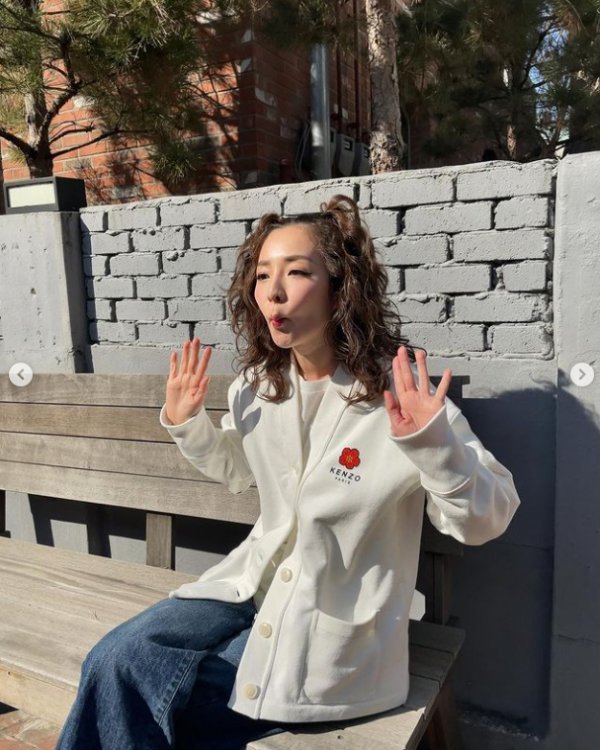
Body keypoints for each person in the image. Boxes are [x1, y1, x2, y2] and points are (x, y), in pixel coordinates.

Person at [55, 195, 521, 750]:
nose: (273, 292)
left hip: (332, 625)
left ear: (340, 287)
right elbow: (238, 470)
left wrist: (433, 445)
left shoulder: (399, 397)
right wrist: (188, 425)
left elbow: (486, 520)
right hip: (247, 588)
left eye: (297, 272)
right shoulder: (257, 387)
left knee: (159, 696)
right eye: (261, 276)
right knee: (113, 661)